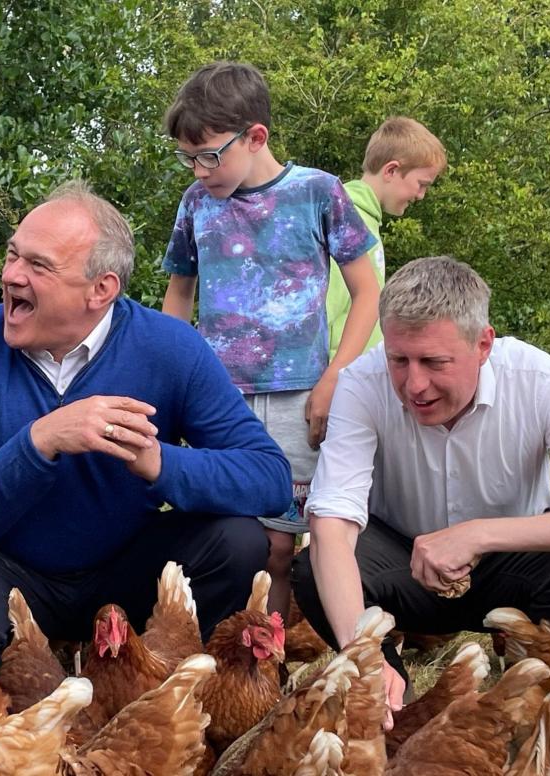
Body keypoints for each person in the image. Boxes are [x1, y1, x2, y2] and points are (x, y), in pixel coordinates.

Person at [0, 181, 291, 670]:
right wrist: (41, 441)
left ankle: (174, 684)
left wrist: (158, 462)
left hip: (125, 571)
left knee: (238, 541)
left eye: (38, 265)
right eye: (12, 255)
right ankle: (10, 711)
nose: (11, 275)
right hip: (5, 570)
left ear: (101, 289)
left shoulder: (169, 347)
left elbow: (269, 480)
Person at [292, 255, 550, 728]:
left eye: (434, 362)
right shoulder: (362, 384)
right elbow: (332, 525)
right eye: (399, 360)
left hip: (513, 563)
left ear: (483, 344)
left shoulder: (539, 380)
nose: (414, 384)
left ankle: (537, 676)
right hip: (404, 563)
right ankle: (388, 696)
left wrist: (479, 534)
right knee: (313, 568)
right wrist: (361, 653)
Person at [160, 61, 381, 617]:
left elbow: (367, 294)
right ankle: (220, 657)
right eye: (187, 158)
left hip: (300, 395)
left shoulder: (318, 193)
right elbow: (178, 297)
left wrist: (335, 378)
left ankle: (271, 661)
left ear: (255, 136)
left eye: (210, 154)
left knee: (283, 544)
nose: (199, 169)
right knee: (229, 533)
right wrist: (171, 376)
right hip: (216, 397)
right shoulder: (196, 204)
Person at [326, 117, 448, 361]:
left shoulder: (364, 219)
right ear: (391, 170)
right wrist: (330, 380)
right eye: (421, 184)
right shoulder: (348, 220)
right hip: (335, 381)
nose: (421, 195)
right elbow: (324, 309)